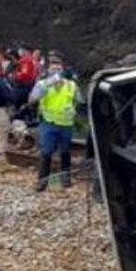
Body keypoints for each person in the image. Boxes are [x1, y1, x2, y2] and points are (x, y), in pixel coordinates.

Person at [29, 57, 80, 191]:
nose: (56, 72)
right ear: (48, 70)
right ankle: (42, 181)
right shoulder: (42, 84)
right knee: (46, 151)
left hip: (66, 123)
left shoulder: (71, 85)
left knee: (65, 151)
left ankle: (65, 178)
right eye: (53, 69)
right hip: (48, 122)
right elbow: (31, 100)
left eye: (58, 69)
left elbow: (80, 101)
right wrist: (46, 86)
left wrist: (75, 113)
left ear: (63, 70)